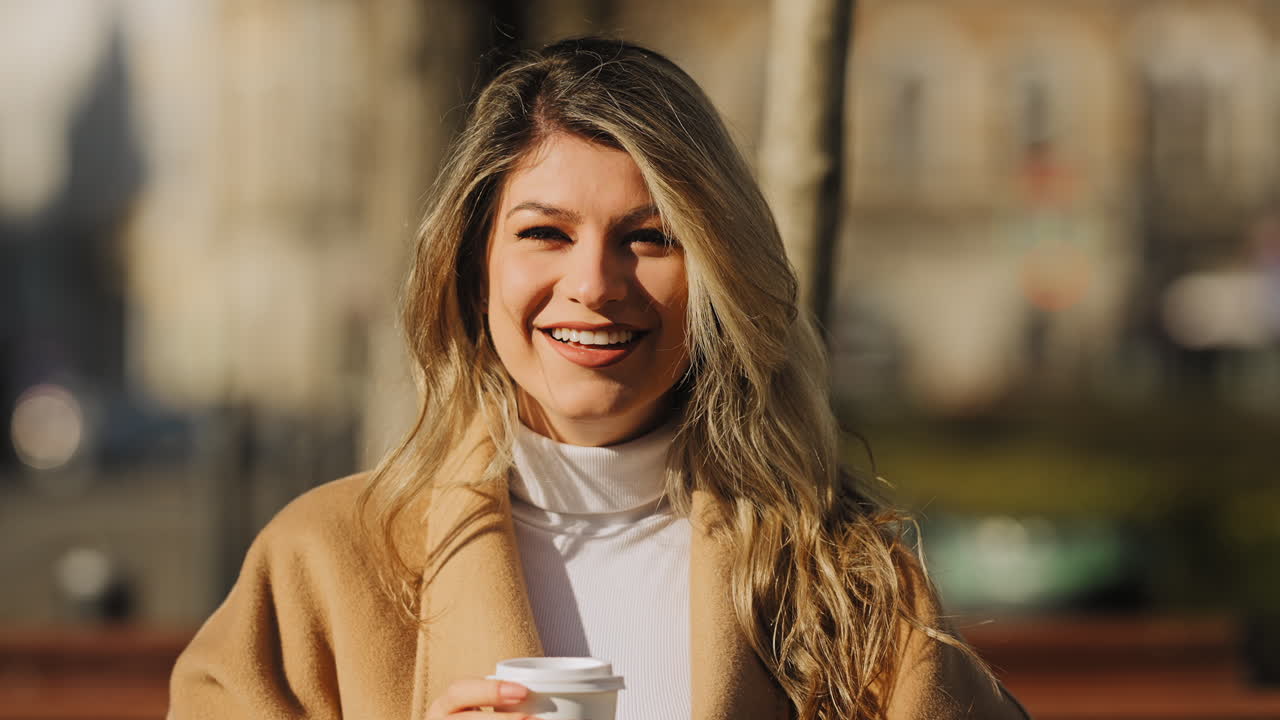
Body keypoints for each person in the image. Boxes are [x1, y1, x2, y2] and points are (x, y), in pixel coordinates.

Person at [168, 37, 1030, 720]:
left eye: (651, 238)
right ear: (475, 270)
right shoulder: (321, 563)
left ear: (718, 276)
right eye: (545, 233)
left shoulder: (841, 575)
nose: (594, 284)